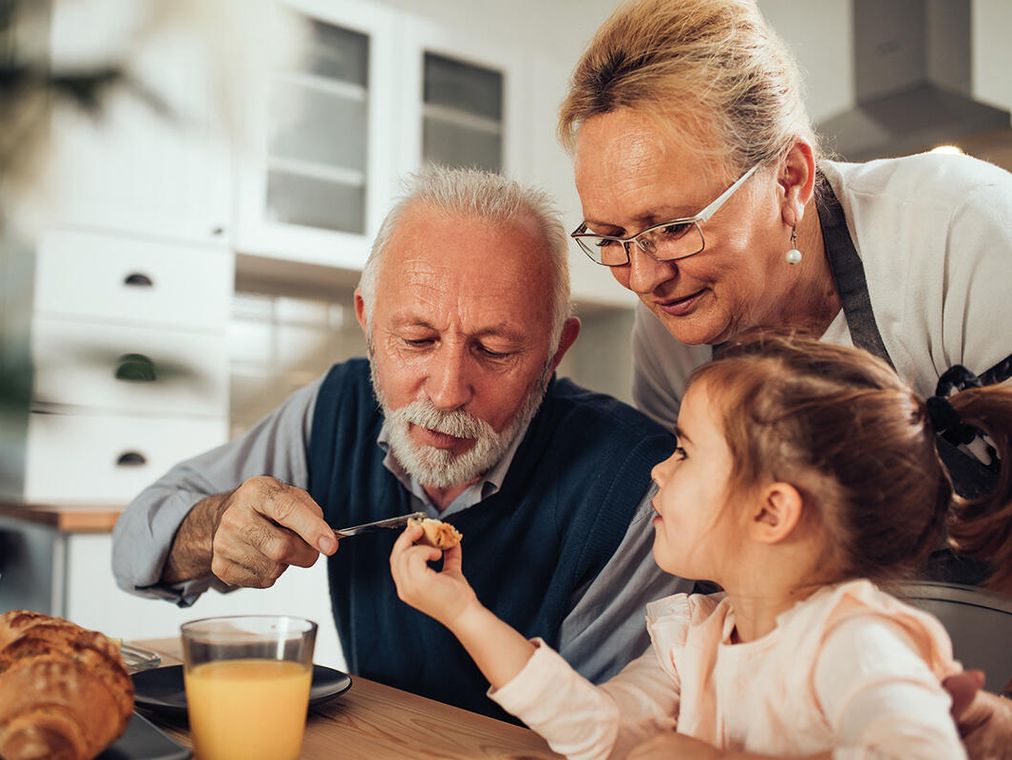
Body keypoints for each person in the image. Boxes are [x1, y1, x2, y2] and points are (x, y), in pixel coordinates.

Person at [111, 166, 687, 719]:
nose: (445, 392)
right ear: (367, 320)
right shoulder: (333, 411)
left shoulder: (639, 487)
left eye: (494, 351)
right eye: (416, 339)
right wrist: (211, 528)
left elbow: (602, 735)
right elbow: (133, 546)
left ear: (556, 351)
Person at [390, 331, 1012, 759]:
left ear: (771, 511)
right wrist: (461, 610)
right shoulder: (696, 636)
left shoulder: (855, 641)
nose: (658, 471)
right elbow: (602, 731)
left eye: (684, 451)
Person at [559, 0, 1012, 505]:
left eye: (674, 228)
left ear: (789, 179)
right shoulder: (671, 344)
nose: (644, 278)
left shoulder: (958, 230)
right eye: (610, 237)